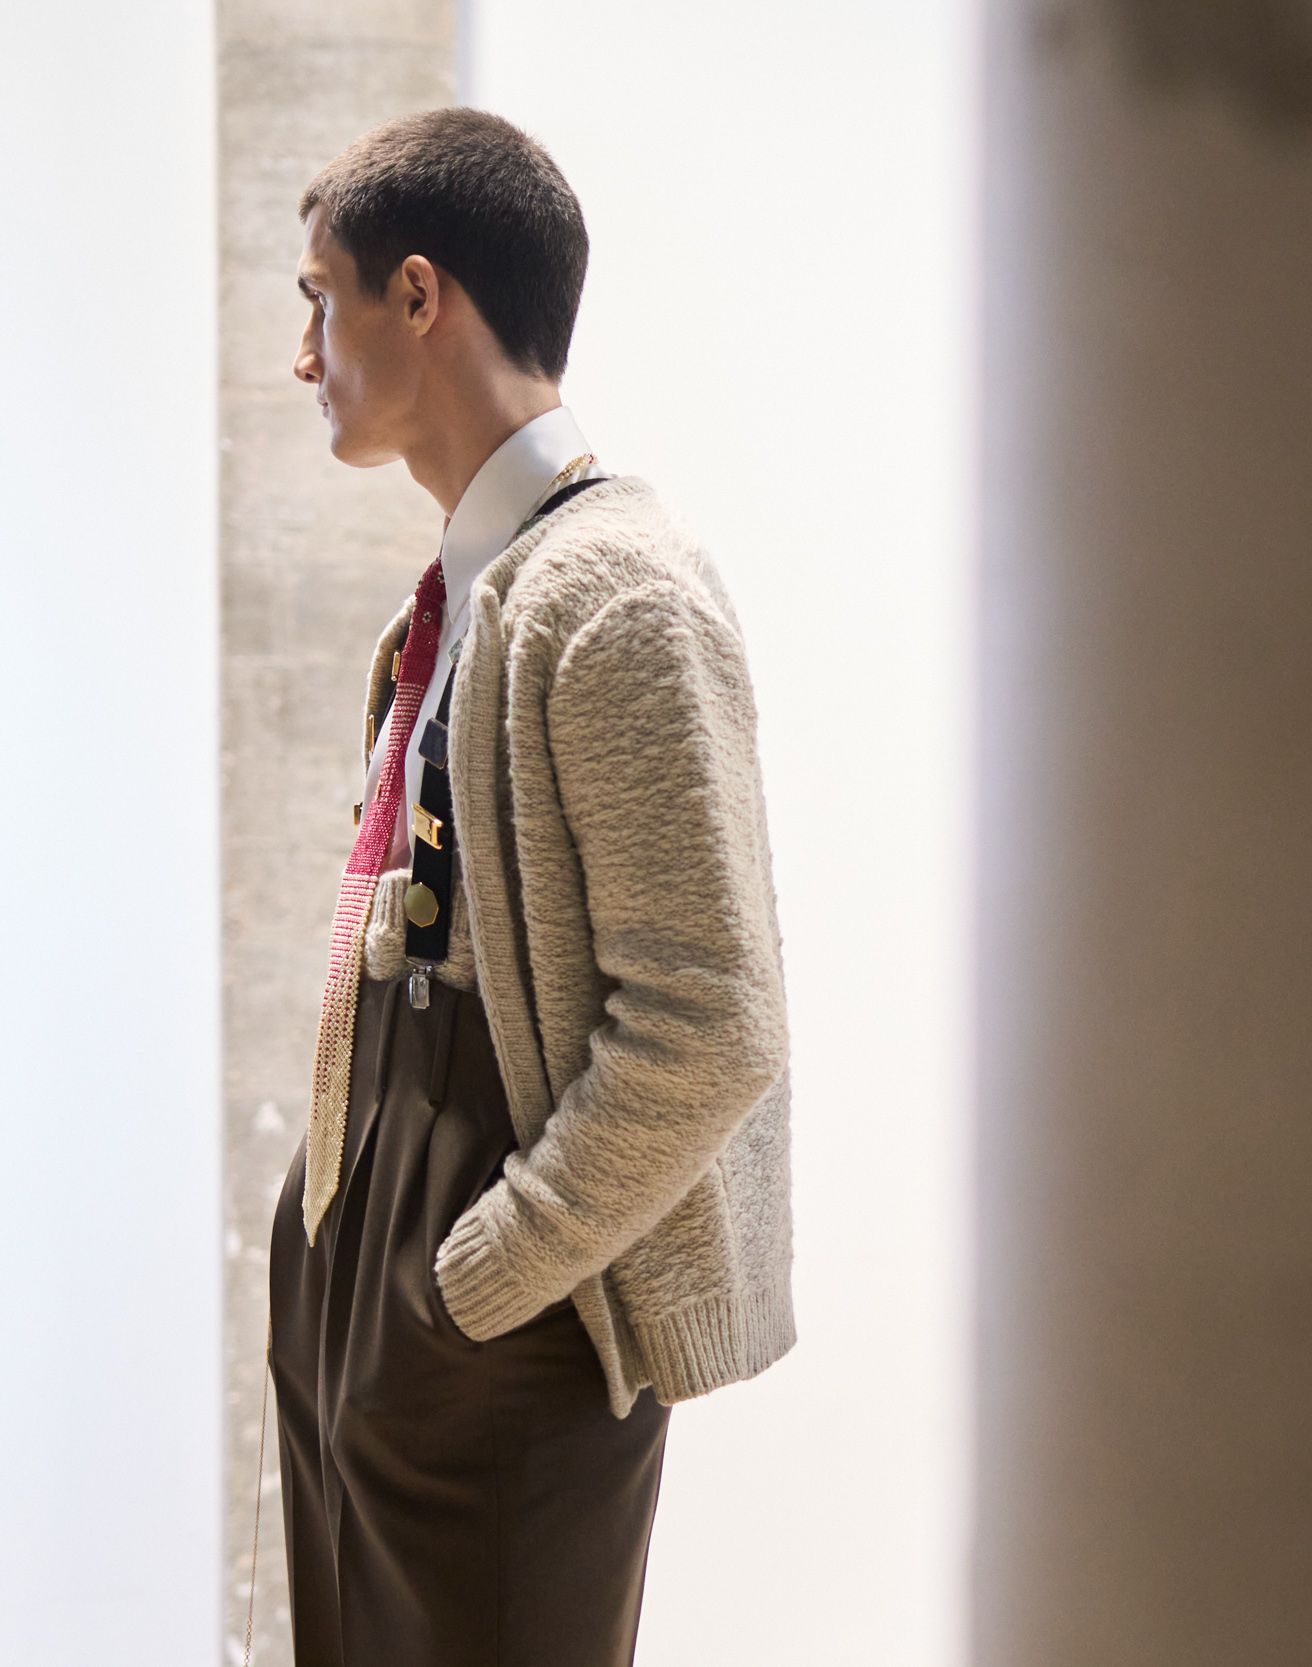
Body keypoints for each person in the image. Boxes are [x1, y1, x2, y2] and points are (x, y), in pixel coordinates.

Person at [269, 107, 794, 1667]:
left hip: (501, 1333)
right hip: (386, 1290)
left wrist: (479, 1282)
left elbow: (709, 1021)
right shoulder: (465, 589)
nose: (305, 355)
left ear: (417, 298)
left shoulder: (611, 591)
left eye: (320, 299)